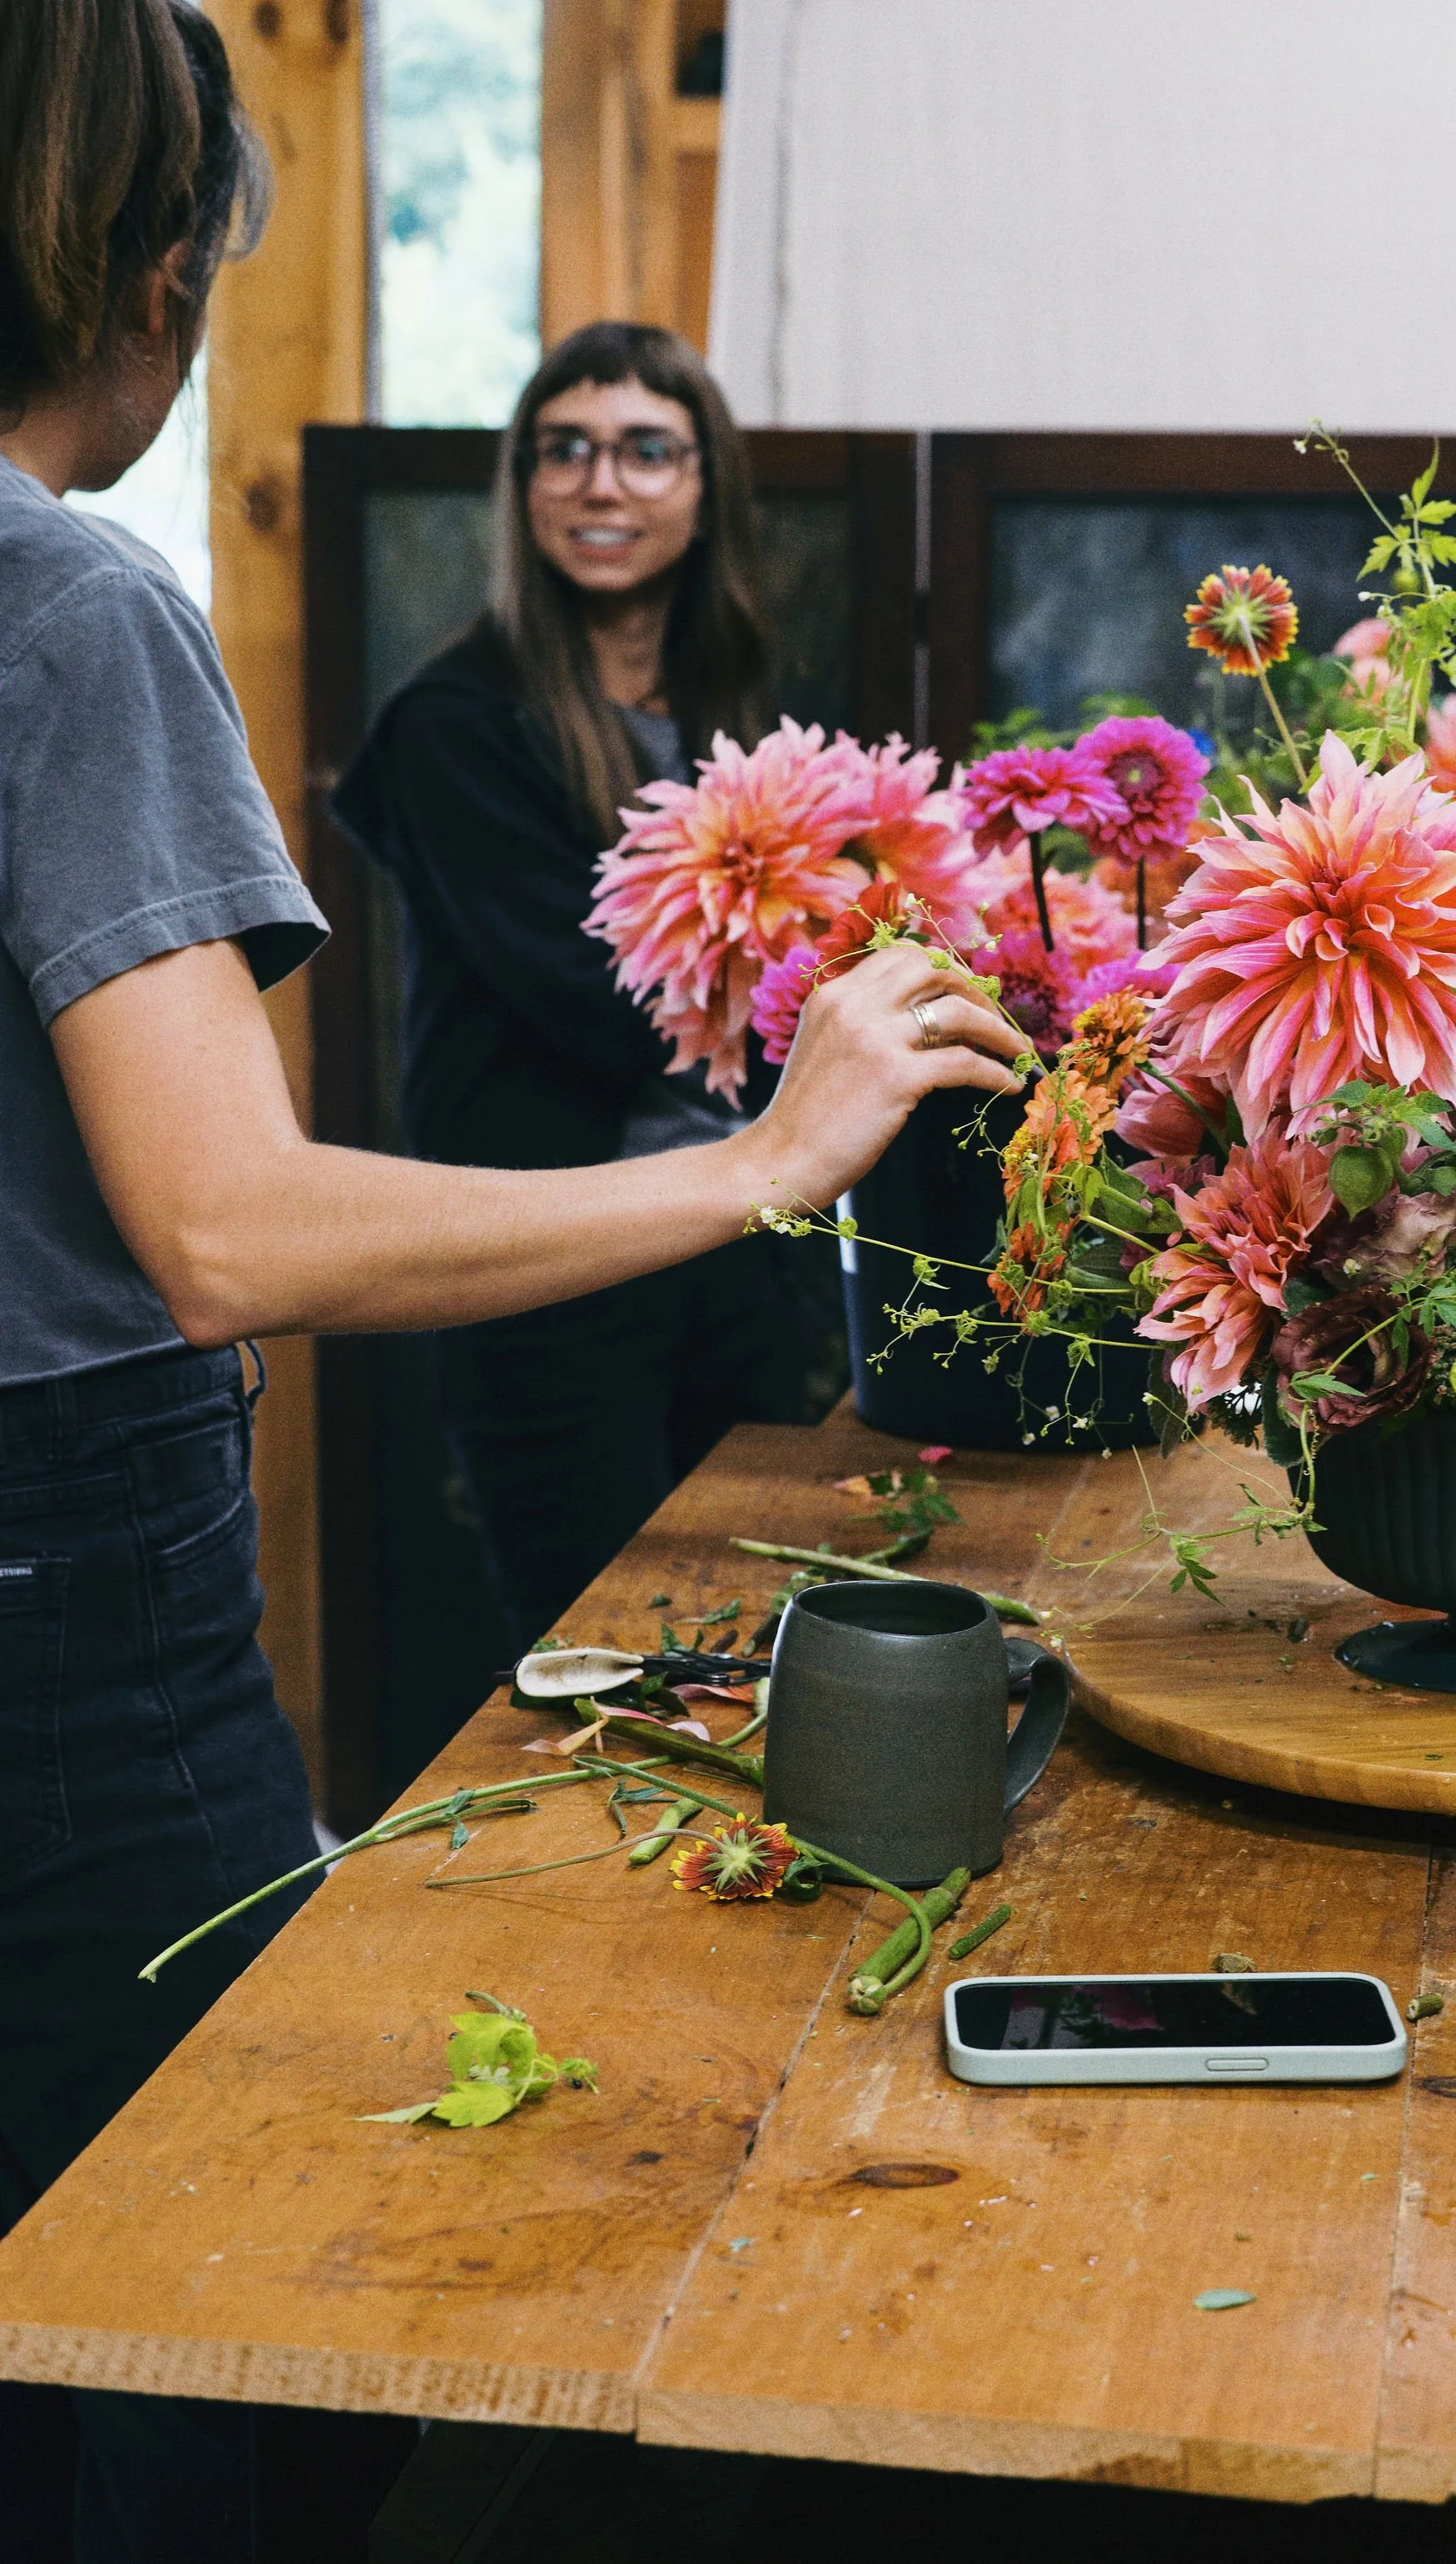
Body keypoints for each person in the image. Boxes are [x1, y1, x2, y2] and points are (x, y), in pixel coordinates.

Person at [0, 7, 1024, 2557]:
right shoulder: (73, 614)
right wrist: (777, 1153)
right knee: (231, 2298)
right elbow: (225, 1223)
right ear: (143, 272)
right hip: (63, 1599)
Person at [333, 323, 811, 1660]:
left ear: (705, 482)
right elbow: (596, 997)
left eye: (647, 449)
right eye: (567, 450)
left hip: (734, 1252)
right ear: (525, 485)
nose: (602, 483)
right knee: (605, 1671)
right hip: (551, 1270)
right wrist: (807, 996)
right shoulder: (454, 728)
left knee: (769, 1645)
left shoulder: (740, 717)